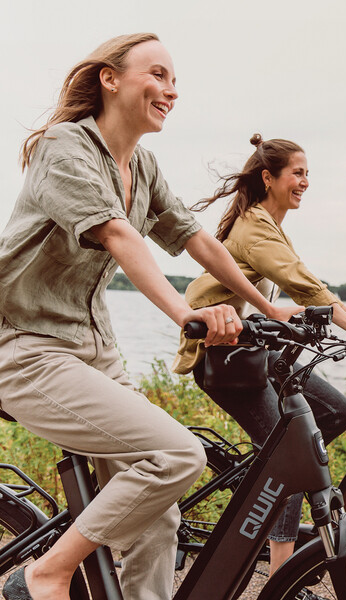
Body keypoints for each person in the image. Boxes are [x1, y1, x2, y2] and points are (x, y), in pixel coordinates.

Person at [0, 35, 300, 600]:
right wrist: (187, 312)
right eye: (158, 75)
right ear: (110, 78)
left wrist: (266, 306)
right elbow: (117, 234)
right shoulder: (64, 146)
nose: (171, 90)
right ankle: (46, 572)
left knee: (157, 519)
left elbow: (197, 241)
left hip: (94, 351)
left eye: (174, 80)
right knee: (177, 455)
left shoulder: (142, 163)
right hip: (27, 345)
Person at [172, 135, 346, 577]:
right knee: (288, 453)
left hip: (254, 353)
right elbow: (308, 289)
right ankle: (281, 575)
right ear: (268, 178)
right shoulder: (254, 228)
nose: (305, 181)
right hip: (225, 361)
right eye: (298, 172)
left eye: (308, 173)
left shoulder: (269, 226)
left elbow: (311, 288)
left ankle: (262, 489)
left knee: (336, 413)